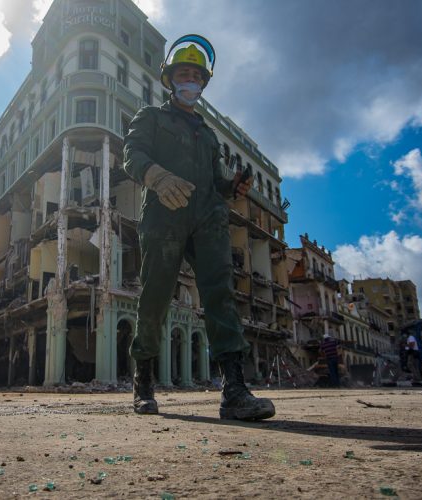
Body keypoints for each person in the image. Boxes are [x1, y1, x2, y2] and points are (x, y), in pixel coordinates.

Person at [123, 34, 273, 421]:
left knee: (220, 294)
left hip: (208, 217)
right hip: (164, 213)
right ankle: (143, 383)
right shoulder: (151, 117)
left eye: (196, 76)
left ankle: (234, 392)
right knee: (155, 295)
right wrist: (155, 175)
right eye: (183, 74)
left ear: (203, 84)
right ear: (170, 80)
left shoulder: (207, 135)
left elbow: (213, 181)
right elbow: (132, 155)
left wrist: (231, 186)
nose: (189, 81)